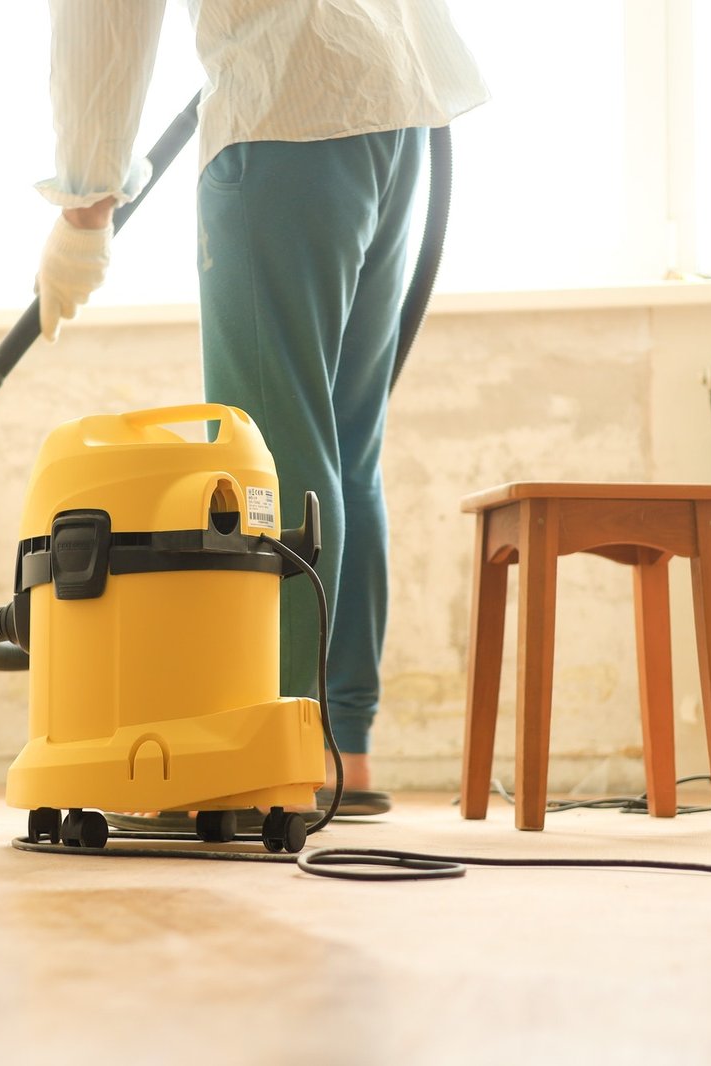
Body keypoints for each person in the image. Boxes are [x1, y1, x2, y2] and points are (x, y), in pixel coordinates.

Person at [35, 0, 487, 815]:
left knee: (271, 461)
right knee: (345, 450)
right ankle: (343, 746)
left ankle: (275, 760)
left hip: (288, 113)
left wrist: (84, 203)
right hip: (400, 108)